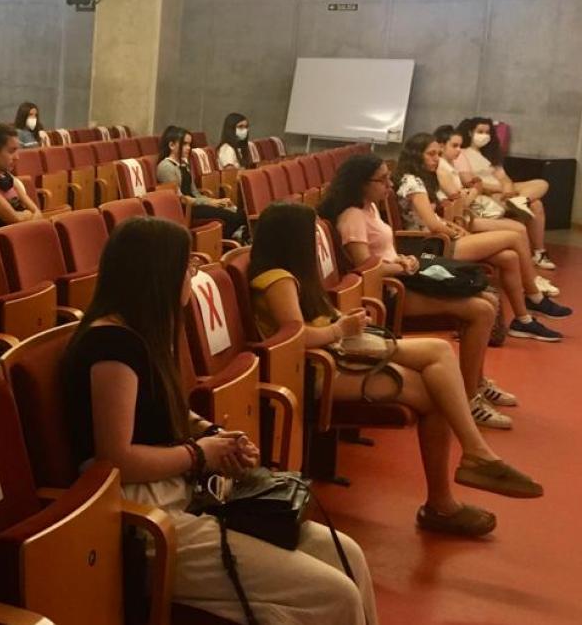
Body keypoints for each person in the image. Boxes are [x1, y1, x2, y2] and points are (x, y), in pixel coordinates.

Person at [62, 217, 378, 624]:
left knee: (348, 555)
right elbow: (116, 458)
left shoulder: (146, 331)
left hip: (183, 491)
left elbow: (167, 411)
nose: (192, 275)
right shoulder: (111, 347)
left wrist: (214, 435)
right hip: (148, 513)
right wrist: (200, 455)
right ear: (158, 274)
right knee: (335, 595)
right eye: (187, 266)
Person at [249, 202, 543, 538]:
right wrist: (339, 329)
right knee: (437, 372)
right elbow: (294, 337)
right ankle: (457, 483)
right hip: (319, 369)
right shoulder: (278, 279)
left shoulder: (291, 275)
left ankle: (461, 477)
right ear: (293, 240)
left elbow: (312, 323)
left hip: (335, 354)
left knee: (438, 372)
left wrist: (343, 323)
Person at [317, 154, 535, 424]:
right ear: (361, 183)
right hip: (387, 292)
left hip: (401, 278)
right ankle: (468, 398)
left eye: (389, 178)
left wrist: (401, 260)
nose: (389, 185)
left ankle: (477, 383)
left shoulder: (370, 207)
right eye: (382, 180)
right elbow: (366, 268)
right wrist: (401, 267)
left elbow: (381, 253)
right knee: (481, 310)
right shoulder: (352, 217)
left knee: (487, 301)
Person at [393, 133, 571, 339]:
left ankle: (523, 321)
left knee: (509, 257)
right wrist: (454, 232)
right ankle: (535, 297)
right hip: (429, 247)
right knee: (514, 237)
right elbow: (432, 224)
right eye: (431, 154)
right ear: (416, 155)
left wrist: (453, 226)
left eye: (438, 154)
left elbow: (433, 218)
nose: (436, 159)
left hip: (439, 238)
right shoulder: (412, 181)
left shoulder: (422, 178)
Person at [433, 125, 557, 299]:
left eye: (459, 146)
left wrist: (475, 190)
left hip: (466, 213)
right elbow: (458, 202)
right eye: (454, 146)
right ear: (440, 145)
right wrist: (476, 189)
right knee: (518, 230)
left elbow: (467, 193)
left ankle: (531, 285)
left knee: (511, 251)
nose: (459, 150)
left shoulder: (451, 164)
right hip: (461, 219)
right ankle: (532, 283)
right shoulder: (442, 168)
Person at [455, 118, 554, 270]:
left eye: (487, 132)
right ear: (470, 132)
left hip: (503, 191)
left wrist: (508, 188)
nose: (484, 136)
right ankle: (536, 251)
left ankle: (521, 203)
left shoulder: (490, 155)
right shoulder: (462, 154)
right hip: (487, 194)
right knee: (536, 204)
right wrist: (501, 190)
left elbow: (504, 178)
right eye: (480, 132)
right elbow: (471, 182)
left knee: (541, 184)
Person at [155, 125, 246, 240]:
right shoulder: (166, 167)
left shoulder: (184, 164)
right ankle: (228, 241)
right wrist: (211, 202)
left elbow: (195, 193)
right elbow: (180, 198)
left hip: (194, 205)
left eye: (189, 144)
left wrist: (216, 201)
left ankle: (234, 237)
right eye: (184, 144)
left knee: (238, 212)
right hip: (186, 210)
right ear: (171, 145)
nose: (188, 148)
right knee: (233, 217)